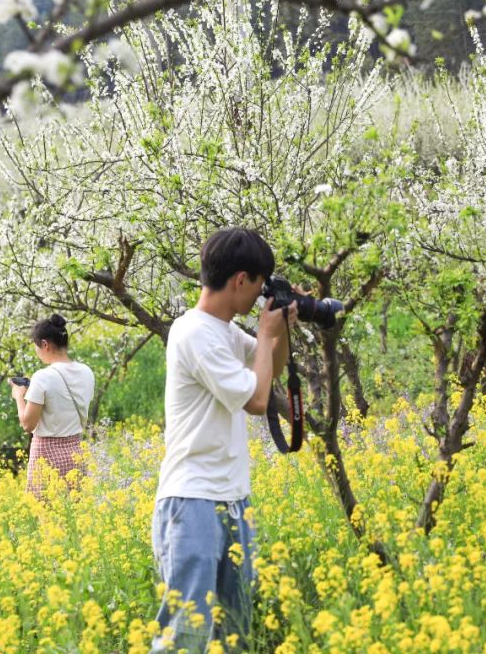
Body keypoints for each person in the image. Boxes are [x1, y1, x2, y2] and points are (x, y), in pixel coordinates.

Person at [151, 228, 296, 653]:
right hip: (192, 500)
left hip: (233, 498)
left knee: (234, 634)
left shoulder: (225, 331)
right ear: (240, 280)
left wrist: (279, 330)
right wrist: (267, 336)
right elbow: (256, 398)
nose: (257, 297)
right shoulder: (194, 332)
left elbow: (271, 369)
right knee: (187, 636)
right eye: (258, 285)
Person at [10, 314, 96, 497]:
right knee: (73, 514)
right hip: (75, 452)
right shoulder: (87, 372)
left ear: (45, 344)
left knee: (45, 516)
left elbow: (28, 424)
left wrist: (19, 396)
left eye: (36, 347)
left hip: (47, 456)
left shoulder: (43, 377)